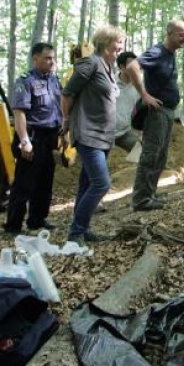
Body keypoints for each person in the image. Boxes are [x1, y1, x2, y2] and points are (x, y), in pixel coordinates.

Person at [60, 26, 125, 243]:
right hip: (88, 133)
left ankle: (83, 229)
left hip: (104, 135)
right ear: (106, 44)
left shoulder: (108, 68)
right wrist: (66, 122)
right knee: (101, 183)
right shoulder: (90, 63)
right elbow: (67, 93)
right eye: (117, 44)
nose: (120, 48)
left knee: (87, 184)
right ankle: (75, 233)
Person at [128, 20, 184, 211]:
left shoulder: (170, 55)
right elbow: (132, 67)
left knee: (160, 156)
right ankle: (140, 199)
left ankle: (149, 193)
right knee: (151, 154)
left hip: (169, 111)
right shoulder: (157, 52)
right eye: (180, 34)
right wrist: (145, 95)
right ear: (169, 33)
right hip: (156, 112)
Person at [3, 42, 62, 236]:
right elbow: (19, 113)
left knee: (45, 181)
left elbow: (59, 108)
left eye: (52, 58)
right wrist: (24, 141)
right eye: (47, 58)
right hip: (32, 136)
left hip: (51, 137)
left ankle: (37, 219)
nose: (51, 61)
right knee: (24, 183)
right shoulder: (25, 81)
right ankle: (13, 225)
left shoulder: (54, 80)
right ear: (35, 59)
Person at [113, 50, 140, 158]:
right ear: (122, 67)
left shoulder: (138, 85)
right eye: (131, 64)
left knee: (141, 154)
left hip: (124, 132)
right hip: (105, 134)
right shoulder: (109, 82)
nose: (135, 67)